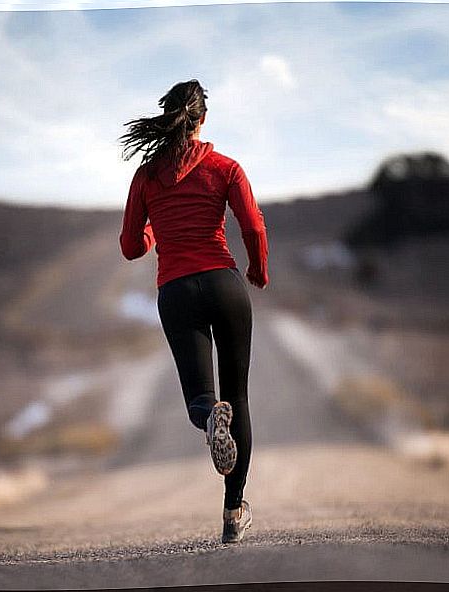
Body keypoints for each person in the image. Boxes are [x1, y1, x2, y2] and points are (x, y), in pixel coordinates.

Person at [118, 79, 269, 544]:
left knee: (202, 398)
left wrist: (153, 236)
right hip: (225, 283)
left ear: (168, 117)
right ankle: (233, 508)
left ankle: (208, 418)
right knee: (238, 395)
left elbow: (129, 246)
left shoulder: (146, 176)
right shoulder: (226, 168)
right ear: (203, 118)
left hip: (177, 289)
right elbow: (252, 225)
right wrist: (258, 270)